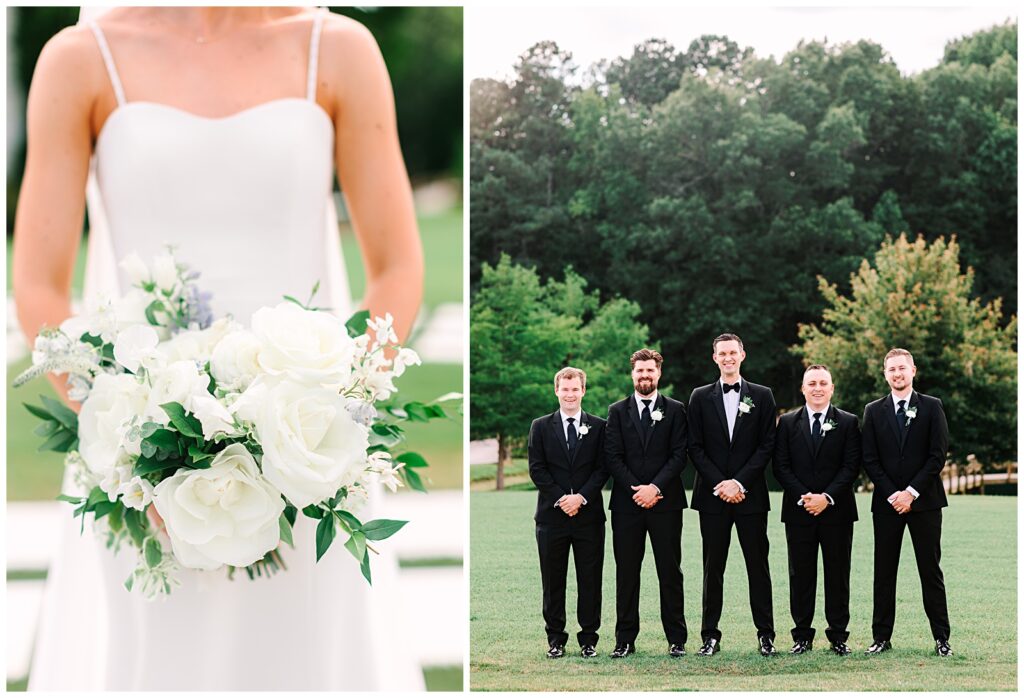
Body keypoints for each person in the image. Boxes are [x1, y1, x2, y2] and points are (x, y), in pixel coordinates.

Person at [12, 7, 425, 690]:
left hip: (309, 459)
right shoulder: (79, 59)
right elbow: (38, 286)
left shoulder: (340, 51)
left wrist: (327, 419)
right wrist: (128, 444)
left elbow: (396, 268)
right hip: (141, 478)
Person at [687, 333, 776, 656]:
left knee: (758, 566)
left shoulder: (762, 396)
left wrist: (739, 482)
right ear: (714, 358)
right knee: (713, 568)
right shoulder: (698, 397)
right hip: (712, 497)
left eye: (732, 353)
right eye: (722, 353)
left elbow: (767, 444)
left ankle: (766, 634)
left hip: (750, 496)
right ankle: (710, 635)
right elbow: (694, 446)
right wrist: (721, 483)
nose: (727, 358)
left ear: (742, 355)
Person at [861, 348, 952, 657]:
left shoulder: (931, 406)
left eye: (902, 368)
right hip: (886, 505)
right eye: (892, 370)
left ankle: (941, 638)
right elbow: (870, 459)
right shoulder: (873, 410)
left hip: (925, 503)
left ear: (913, 370)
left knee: (930, 570)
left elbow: (937, 455)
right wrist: (893, 494)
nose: (897, 374)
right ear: (885, 374)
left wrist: (911, 492)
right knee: (884, 571)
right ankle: (881, 638)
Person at [604, 348, 688, 658]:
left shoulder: (677, 410)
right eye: (640, 371)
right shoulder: (616, 411)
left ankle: (676, 639)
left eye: (650, 371)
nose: (645, 375)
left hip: (666, 503)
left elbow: (680, 454)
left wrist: (654, 488)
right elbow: (612, 456)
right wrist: (635, 489)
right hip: (627, 506)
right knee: (627, 572)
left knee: (670, 571)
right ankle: (625, 639)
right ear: (632, 374)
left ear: (659, 374)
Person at [772, 364, 860, 656]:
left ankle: (838, 636)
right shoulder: (786, 423)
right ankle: (802, 636)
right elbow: (780, 466)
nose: (818, 388)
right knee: (801, 575)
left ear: (832, 388)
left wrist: (827, 497)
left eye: (823, 383)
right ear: (803, 388)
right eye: (812, 383)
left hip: (837, 512)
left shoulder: (848, 422)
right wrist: (805, 496)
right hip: (799, 511)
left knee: (838, 574)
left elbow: (851, 466)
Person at [527, 367, 608, 659]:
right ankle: (555, 639)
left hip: (589, 518)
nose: (570, 394)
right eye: (565, 389)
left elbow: (603, 468)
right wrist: (562, 499)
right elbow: (537, 468)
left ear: (583, 391)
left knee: (590, 580)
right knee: (553, 580)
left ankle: (589, 639)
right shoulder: (540, 426)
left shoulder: (599, 426)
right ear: (556, 391)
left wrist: (581, 498)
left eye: (575, 389)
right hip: (551, 518)